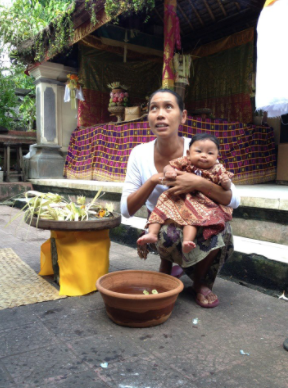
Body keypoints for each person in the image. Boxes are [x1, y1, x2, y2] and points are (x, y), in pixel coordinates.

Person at [120, 89, 240, 308]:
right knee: (170, 232)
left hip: (198, 218)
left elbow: (234, 200)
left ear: (183, 116)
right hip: (163, 222)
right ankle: (168, 270)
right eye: (153, 108)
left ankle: (199, 282)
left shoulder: (199, 148)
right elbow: (125, 210)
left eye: (168, 107)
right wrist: (153, 180)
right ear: (148, 118)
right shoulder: (139, 153)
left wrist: (198, 183)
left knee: (221, 227)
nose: (160, 114)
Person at [137, 133, 234, 256]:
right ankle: (152, 233)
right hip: (178, 198)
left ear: (217, 156)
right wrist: (169, 171)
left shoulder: (218, 169)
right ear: (188, 153)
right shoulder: (185, 162)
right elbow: (168, 166)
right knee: (160, 210)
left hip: (200, 202)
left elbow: (226, 187)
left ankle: (187, 242)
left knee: (192, 220)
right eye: (199, 151)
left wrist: (226, 182)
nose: (204, 155)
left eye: (210, 153)